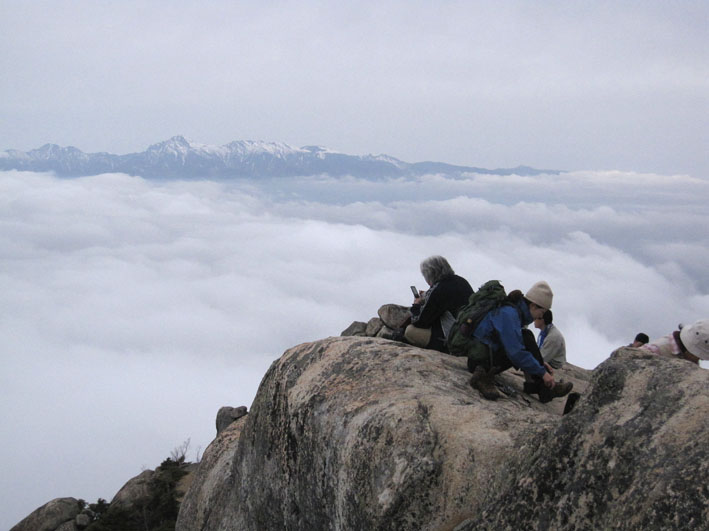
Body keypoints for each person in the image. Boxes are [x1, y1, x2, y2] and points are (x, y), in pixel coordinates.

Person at [467, 280, 573, 402]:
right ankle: (545, 389)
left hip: (486, 356)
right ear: (533, 306)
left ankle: (541, 388)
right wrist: (542, 372)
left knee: (526, 336)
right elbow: (516, 353)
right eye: (541, 312)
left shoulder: (514, 312)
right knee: (526, 337)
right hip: (479, 363)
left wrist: (537, 362)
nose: (539, 317)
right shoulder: (509, 314)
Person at [404, 256, 473, 353]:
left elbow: (419, 321)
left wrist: (416, 305)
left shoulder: (439, 290)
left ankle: (445, 349)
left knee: (410, 331)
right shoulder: (461, 281)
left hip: (454, 339)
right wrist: (427, 296)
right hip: (470, 333)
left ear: (429, 275)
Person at [640, 319, 709, 365]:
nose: (701, 359)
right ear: (688, 349)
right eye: (699, 356)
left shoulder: (689, 359)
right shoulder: (651, 352)